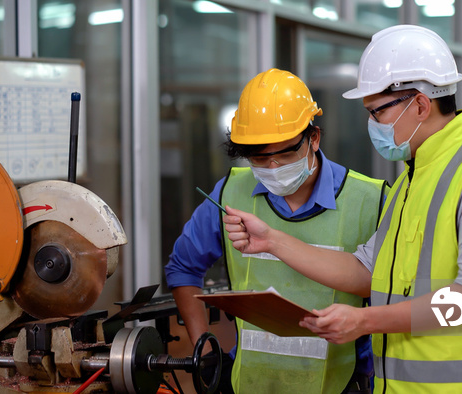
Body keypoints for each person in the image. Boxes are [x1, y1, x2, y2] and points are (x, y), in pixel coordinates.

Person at [223, 25, 462, 393]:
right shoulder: (412, 180)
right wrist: (271, 241)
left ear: (418, 104)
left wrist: (364, 320)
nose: (372, 125)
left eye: (377, 112)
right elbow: (366, 270)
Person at [164, 68, 387, 394]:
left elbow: (397, 292)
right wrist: (204, 346)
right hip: (250, 384)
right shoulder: (230, 193)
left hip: (342, 384)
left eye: (285, 153)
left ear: (314, 138)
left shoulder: (372, 200)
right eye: (259, 157)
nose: (273, 168)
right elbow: (183, 267)